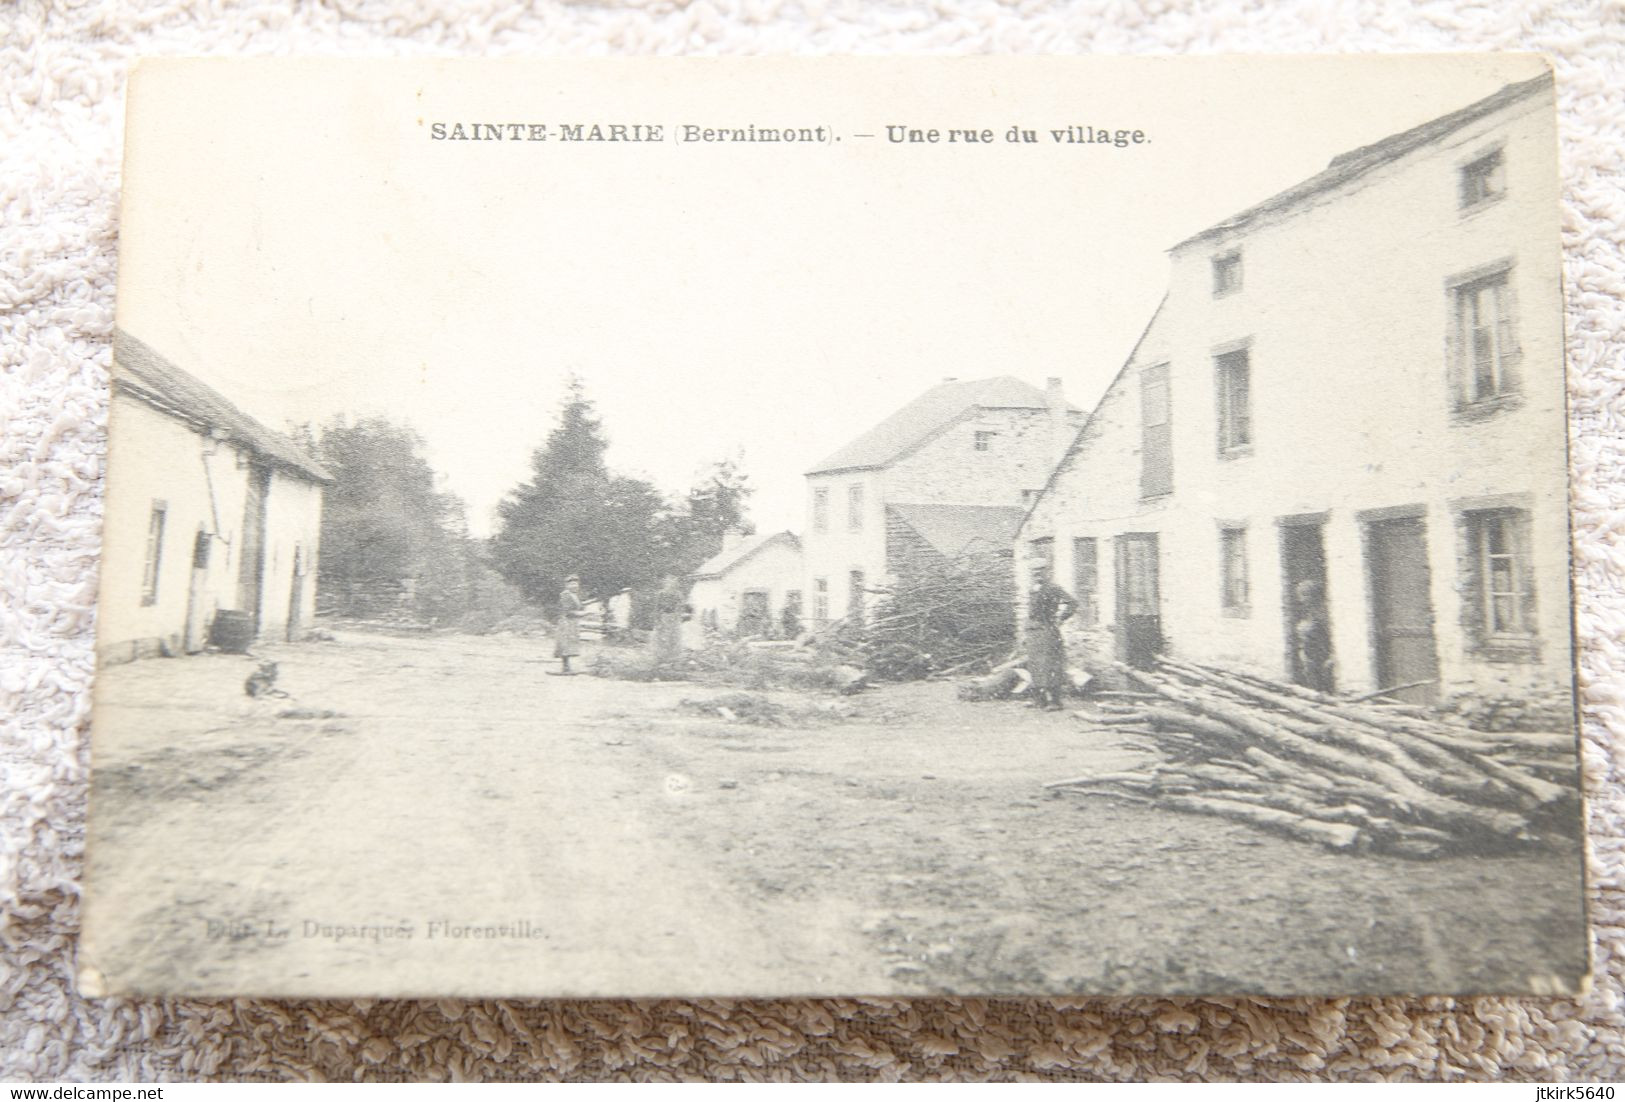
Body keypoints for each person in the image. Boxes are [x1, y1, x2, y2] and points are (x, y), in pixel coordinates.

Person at [1024, 564, 1077, 711]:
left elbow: (1072, 603)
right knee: (1035, 666)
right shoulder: (1033, 589)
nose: (1037, 574)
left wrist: (1061, 618)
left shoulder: (1053, 588)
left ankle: (1055, 702)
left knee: (1050, 665)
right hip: (1033, 631)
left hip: (1047, 630)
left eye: (1040, 571)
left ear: (1047, 572)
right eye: (1034, 571)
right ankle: (1039, 700)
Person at [650, 574, 691, 666]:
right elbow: (657, 608)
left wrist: (677, 615)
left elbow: (681, 605)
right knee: (662, 637)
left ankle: (673, 658)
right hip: (664, 616)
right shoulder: (661, 593)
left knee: (674, 637)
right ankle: (661, 658)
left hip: (674, 617)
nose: (671, 584)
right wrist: (658, 620)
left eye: (674, 582)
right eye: (669, 582)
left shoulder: (678, 594)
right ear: (666, 583)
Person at [554, 575, 584, 674]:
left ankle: (567, 667)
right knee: (565, 643)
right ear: (567, 585)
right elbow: (568, 611)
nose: (575, 586)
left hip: (572, 622)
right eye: (572, 584)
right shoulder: (565, 595)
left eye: (576, 584)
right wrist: (583, 614)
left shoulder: (574, 595)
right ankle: (565, 668)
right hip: (566, 621)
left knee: (570, 643)